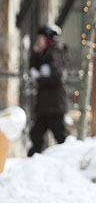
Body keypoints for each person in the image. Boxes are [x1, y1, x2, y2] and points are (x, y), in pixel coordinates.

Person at [28, 24, 70, 156]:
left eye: (40, 38)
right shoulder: (44, 53)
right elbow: (34, 67)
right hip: (45, 106)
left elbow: (56, 76)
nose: (38, 41)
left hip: (54, 105)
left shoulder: (55, 52)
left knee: (61, 136)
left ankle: (70, 159)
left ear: (48, 39)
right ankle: (30, 164)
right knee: (36, 135)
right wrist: (35, 53)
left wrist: (39, 79)